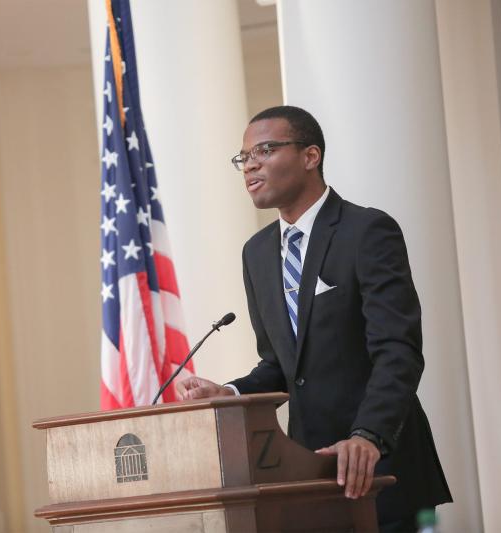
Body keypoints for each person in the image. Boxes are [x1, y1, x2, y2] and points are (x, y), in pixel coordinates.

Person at [175, 106, 452, 531]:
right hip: (308, 476)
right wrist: (229, 391)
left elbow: (398, 350)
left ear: (310, 156)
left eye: (265, 150)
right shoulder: (257, 252)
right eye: (243, 156)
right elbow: (282, 367)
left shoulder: (367, 231)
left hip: (383, 469)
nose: (250, 164)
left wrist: (369, 435)